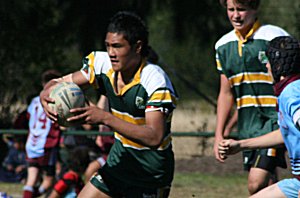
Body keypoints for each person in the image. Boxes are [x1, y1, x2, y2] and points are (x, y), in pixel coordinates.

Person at [40, 11, 178, 198]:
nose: (111, 53)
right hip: (119, 162)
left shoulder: (155, 80)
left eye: (117, 46)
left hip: (150, 173)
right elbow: (57, 82)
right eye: (108, 46)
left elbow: (154, 136)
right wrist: (45, 94)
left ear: (137, 47)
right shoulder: (101, 64)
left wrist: (104, 117)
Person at [213, 0, 290, 195]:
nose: (236, 15)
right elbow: (225, 92)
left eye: (242, 9)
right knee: (266, 181)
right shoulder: (223, 45)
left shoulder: (274, 36)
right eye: (231, 9)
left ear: (255, 9)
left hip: (275, 121)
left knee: (255, 183)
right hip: (248, 126)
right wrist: (219, 134)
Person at [219, 36, 300, 198]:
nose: (266, 66)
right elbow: (284, 133)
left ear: (279, 65)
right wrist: (241, 145)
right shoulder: (288, 90)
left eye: (268, 61)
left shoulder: (292, 93)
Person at [23, 69, 62, 198]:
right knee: (49, 180)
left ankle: (28, 195)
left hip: (31, 143)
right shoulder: (55, 99)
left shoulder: (34, 101)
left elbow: (28, 117)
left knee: (31, 179)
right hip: (46, 144)